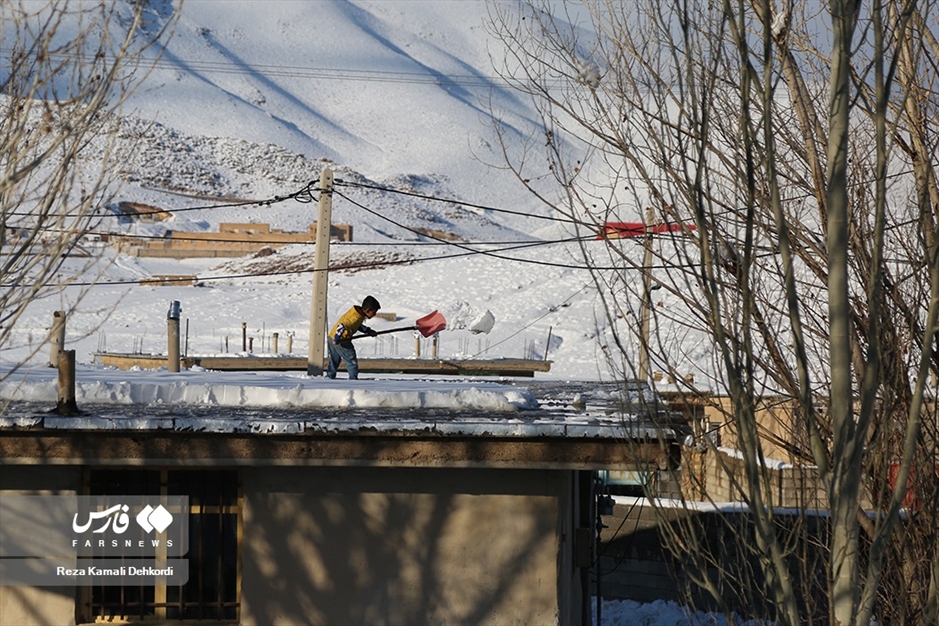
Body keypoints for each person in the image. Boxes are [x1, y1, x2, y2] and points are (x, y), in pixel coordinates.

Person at [326, 295, 380, 379]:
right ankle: (353, 379)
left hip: (331, 336)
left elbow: (356, 325)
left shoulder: (356, 313)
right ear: (368, 310)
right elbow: (342, 326)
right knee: (351, 359)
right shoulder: (355, 317)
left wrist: (368, 331)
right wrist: (337, 338)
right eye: (374, 312)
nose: (375, 314)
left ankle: (329, 376)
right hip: (341, 340)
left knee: (334, 359)